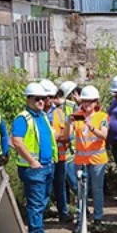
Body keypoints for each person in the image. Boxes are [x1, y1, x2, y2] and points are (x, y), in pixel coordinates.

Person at [12, 83, 58, 233]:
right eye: (37, 98)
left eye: (43, 98)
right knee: (36, 203)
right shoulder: (23, 118)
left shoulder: (43, 116)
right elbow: (17, 141)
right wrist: (32, 161)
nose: (41, 101)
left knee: (43, 201)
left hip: (47, 165)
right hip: (33, 169)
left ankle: (39, 230)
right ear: (29, 99)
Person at [72, 85, 109, 231]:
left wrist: (92, 127)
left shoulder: (102, 117)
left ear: (96, 103)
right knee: (81, 191)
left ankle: (98, 218)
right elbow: (68, 134)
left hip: (97, 160)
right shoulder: (77, 115)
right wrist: (69, 123)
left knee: (97, 189)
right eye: (84, 101)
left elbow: (104, 135)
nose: (87, 104)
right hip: (80, 160)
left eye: (90, 101)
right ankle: (80, 220)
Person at [40, 79, 71, 223]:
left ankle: (63, 212)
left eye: (51, 97)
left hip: (60, 155)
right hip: (44, 157)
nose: (49, 100)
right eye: (47, 97)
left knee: (60, 185)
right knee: (44, 187)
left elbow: (67, 134)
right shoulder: (37, 114)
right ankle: (43, 212)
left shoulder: (59, 113)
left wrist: (59, 136)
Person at [58, 81, 80, 206]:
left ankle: (81, 208)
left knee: (73, 183)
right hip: (66, 152)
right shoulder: (66, 107)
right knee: (69, 183)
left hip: (71, 152)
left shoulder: (72, 107)